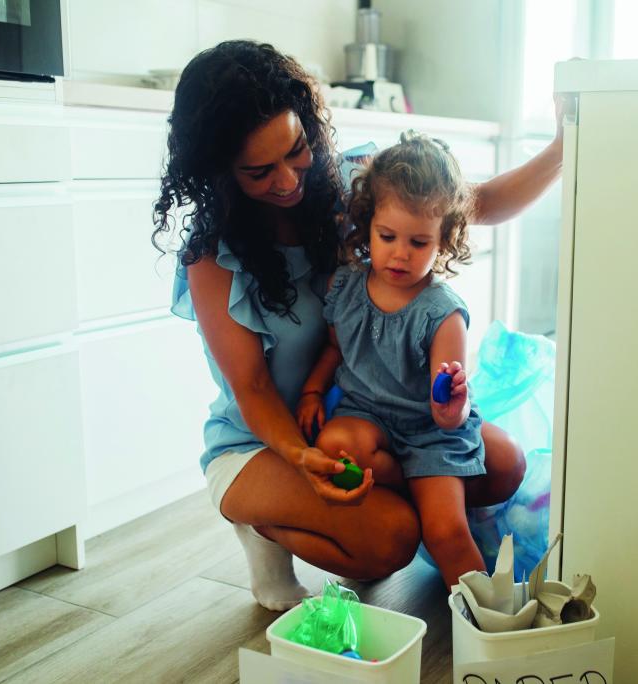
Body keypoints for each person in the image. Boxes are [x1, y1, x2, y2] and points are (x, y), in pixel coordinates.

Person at [152, 40, 565, 611]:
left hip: (366, 413)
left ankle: (396, 517)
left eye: (296, 150)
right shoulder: (211, 257)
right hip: (262, 442)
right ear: (220, 172)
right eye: (258, 171)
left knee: (502, 465)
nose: (288, 179)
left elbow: (477, 203)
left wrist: (566, 147)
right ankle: (260, 519)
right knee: (392, 537)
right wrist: (301, 458)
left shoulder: (354, 184)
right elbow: (251, 388)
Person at [299, 131, 491, 589]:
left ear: (444, 241)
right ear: (367, 225)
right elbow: (334, 346)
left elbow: (449, 409)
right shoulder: (345, 286)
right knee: (333, 445)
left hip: (428, 432)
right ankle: (410, 484)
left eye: (419, 243)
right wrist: (311, 390)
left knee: (445, 531)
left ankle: (492, 625)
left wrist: (452, 409)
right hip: (366, 414)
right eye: (388, 237)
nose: (400, 253)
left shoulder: (443, 313)